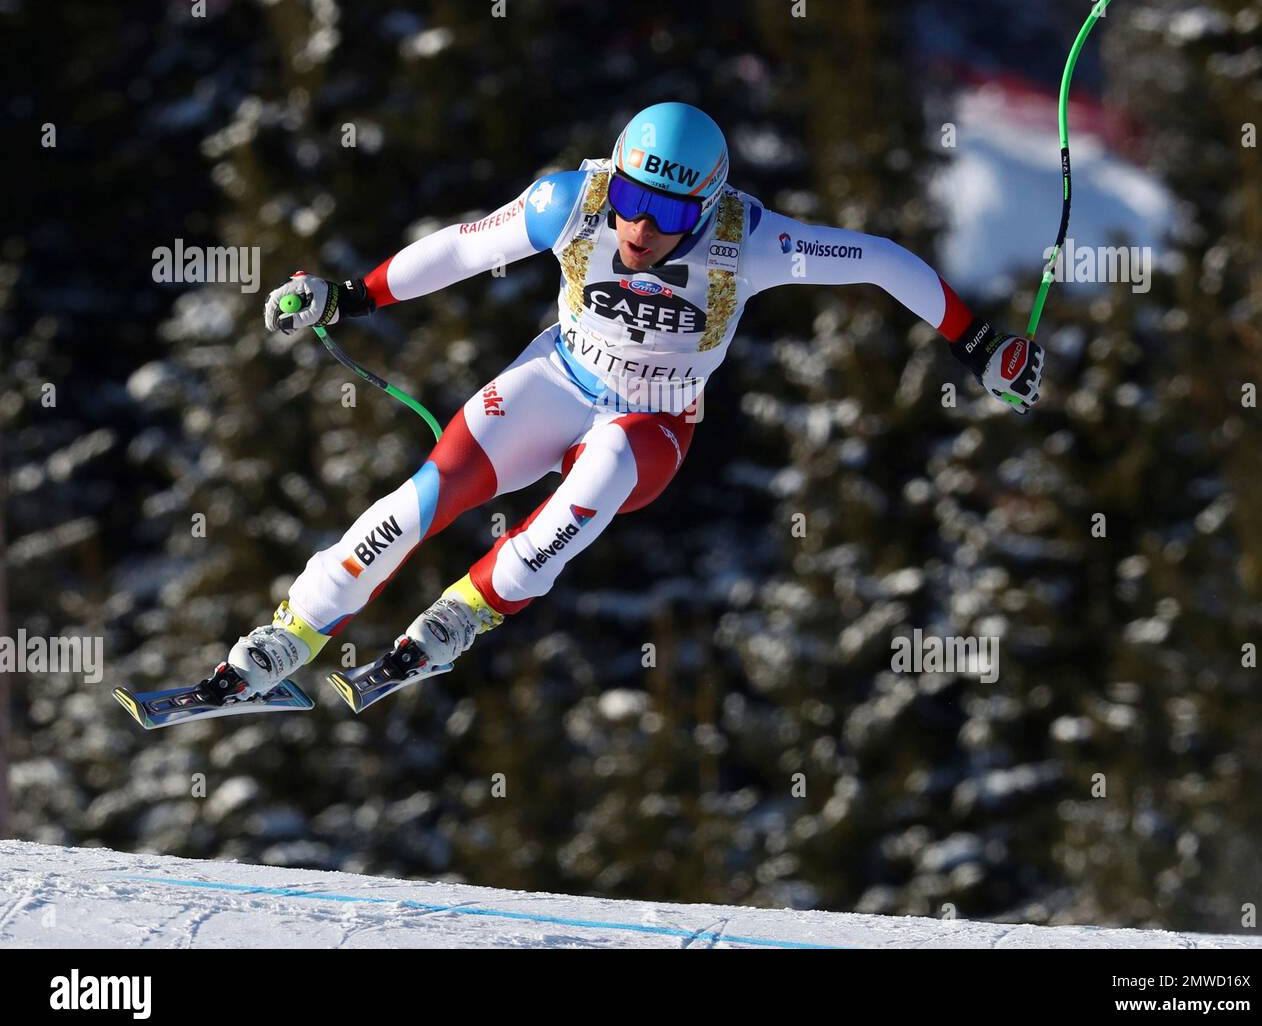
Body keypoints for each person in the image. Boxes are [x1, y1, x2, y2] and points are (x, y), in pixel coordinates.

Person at [203, 102, 1045, 703]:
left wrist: (978, 345)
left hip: (653, 420)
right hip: (558, 377)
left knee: (593, 480)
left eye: (668, 210)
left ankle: (455, 621)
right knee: (422, 497)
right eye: (633, 199)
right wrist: (348, 296)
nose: (639, 226)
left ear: (706, 207)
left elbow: (883, 260)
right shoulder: (575, 201)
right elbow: (461, 250)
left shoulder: (748, 241)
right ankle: (290, 634)